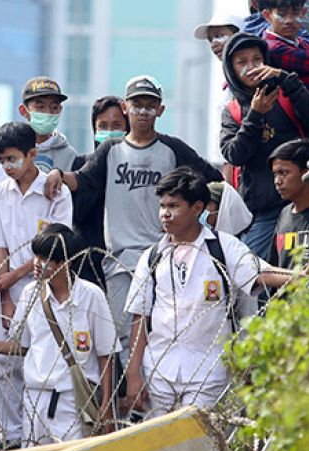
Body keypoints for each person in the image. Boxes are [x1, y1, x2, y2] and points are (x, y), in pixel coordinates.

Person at [45, 76, 224, 354]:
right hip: (120, 260)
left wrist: (209, 208)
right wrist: (58, 174)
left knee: (165, 329)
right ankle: (127, 393)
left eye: (150, 105)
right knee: (123, 334)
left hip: (164, 256)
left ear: (160, 110)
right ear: (126, 108)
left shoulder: (173, 149)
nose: (143, 111)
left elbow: (212, 179)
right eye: (137, 104)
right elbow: (85, 179)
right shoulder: (110, 150)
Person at [125, 168, 261, 417]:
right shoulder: (153, 256)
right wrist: (134, 375)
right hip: (159, 370)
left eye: (174, 206)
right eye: (163, 206)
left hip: (208, 371)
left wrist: (297, 276)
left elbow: (258, 274)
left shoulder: (222, 247)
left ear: (197, 208)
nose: (165, 214)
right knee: (161, 447)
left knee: (203, 445)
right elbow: (139, 318)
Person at [0, 122, 73, 447]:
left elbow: (54, 245)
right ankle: (13, 435)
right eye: (2, 159)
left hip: (46, 284)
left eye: (13, 159)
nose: (6, 166)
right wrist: (6, 295)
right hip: (9, 290)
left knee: (40, 355)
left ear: (32, 154)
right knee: (5, 365)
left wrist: (15, 277)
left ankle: (45, 432)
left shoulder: (54, 191)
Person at [0, 225, 117, 445]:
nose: (37, 264)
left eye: (45, 258)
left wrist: (106, 405)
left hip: (73, 399)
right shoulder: (30, 293)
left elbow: (106, 354)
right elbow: (22, 346)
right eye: (36, 257)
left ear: (65, 263)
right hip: (35, 397)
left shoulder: (90, 296)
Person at [221, 32, 309, 260]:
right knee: (255, 275)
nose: (251, 67)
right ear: (231, 69)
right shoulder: (233, 111)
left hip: (303, 203)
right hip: (264, 210)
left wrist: (286, 79)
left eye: (257, 59)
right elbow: (234, 154)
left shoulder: (287, 96)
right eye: (242, 62)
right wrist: (255, 115)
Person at [72, 96, 130, 287]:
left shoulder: (134, 171)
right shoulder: (81, 166)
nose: (110, 132)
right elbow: (77, 214)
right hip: (87, 262)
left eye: (116, 125)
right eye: (103, 126)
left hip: (124, 262)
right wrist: (97, 173)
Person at [18, 76, 77, 172]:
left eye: (54, 107)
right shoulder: (7, 146)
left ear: (60, 110)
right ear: (24, 111)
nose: (48, 113)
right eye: (40, 107)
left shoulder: (69, 155)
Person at [270, 139, 309, 268]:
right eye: (275, 174)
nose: (277, 181)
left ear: (305, 173)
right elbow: (274, 266)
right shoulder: (285, 214)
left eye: (283, 173)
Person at [259, 0, 309, 89]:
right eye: (281, 14)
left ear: (303, 13)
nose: (289, 20)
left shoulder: (301, 42)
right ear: (267, 16)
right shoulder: (271, 47)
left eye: (295, 13)